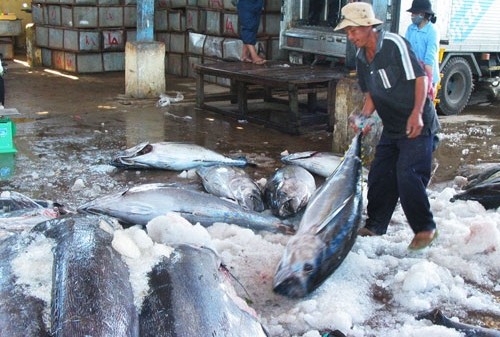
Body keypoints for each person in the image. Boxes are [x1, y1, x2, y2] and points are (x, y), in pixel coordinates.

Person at [334, 2, 440, 250]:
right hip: (392, 127)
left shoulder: (393, 44)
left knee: (408, 174)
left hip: (417, 123)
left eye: (353, 30)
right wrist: (364, 117)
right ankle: (376, 225)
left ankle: (425, 229)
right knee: (380, 176)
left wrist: (416, 113)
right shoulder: (361, 58)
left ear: (369, 26)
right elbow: (371, 93)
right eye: (347, 32)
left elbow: (420, 77)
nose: (350, 37)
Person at [405, 0, 440, 99]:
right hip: (414, 75)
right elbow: (406, 50)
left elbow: (430, 58)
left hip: (428, 75)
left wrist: (428, 81)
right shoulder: (411, 29)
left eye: (414, 13)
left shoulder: (432, 31)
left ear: (422, 14)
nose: (412, 15)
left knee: (426, 109)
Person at [237, 0, 266, 65]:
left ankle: (244, 55)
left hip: (257, 4)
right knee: (248, 27)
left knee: (253, 27)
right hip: (246, 3)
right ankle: (254, 55)